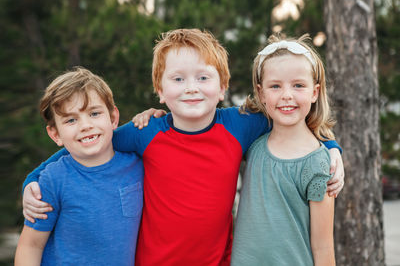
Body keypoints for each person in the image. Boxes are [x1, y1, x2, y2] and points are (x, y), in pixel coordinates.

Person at [21, 29, 344, 266]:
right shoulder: (145, 133)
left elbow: (292, 118)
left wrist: (331, 148)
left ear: (222, 87)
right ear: (159, 90)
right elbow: (88, 141)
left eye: (203, 78)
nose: (191, 88)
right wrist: (32, 180)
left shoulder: (239, 124)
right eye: (178, 80)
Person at [14, 67, 144, 266]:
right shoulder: (53, 180)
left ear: (113, 118)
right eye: (71, 120)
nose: (85, 125)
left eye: (94, 113)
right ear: (55, 134)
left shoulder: (138, 166)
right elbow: (30, 246)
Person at [231, 35, 336, 265]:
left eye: (298, 85)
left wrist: (333, 149)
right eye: (275, 86)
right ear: (261, 93)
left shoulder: (318, 164)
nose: (286, 95)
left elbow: (323, 247)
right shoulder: (253, 144)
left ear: (315, 92)